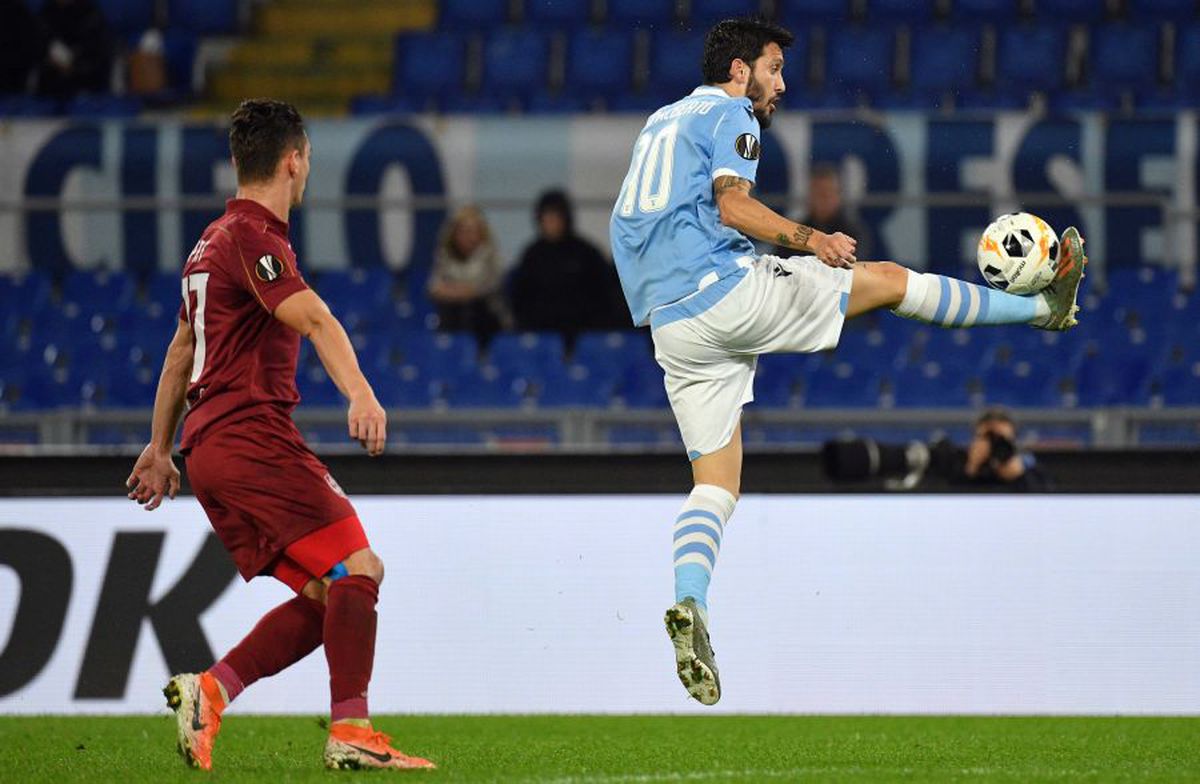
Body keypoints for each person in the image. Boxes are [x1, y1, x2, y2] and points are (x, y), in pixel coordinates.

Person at [608, 17, 1086, 706]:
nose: (781, 83)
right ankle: (1046, 312)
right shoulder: (730, 112)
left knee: (716, 485)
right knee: (888, 281)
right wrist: (809, 239)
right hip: (722, 293)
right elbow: (734, 205)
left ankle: (692, 606)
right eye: (773, 68)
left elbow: (630, 226)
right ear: (739, 69)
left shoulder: (661, 121)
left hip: (672, 325)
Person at [124, 99, 434, 771]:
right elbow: (315, 318)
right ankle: (351, 730)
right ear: (295, 162)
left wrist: (159, 448)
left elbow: (181, 351)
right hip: (248, 435)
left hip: (210, 450)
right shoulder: (253, 238)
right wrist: (361, 394)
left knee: (331, 596)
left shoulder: (208, 243)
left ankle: (211, 690)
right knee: (361, 568)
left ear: (240, 161)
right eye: (308, 159)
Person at [510, 189, 627, 346]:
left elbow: (604, 294)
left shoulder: (587, 253)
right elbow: (521, 298)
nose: (551, 223)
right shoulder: (531, 255)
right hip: (541, 332)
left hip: (585, 331)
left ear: (566, 218)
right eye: (547, 217)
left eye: (555, 217)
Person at [428, 204, 512, 345]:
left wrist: (455, 290)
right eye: (462, 231)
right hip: (452, 316)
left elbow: (481, 289)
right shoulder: (444, 256)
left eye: (472, 231)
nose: (468, 236)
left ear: (482, 233)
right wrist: (461, 291)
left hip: (487, 318)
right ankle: (449, 350)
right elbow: (434, 288)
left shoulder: (492, 257)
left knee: (471, 308)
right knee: (448, 310)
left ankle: (476, 354)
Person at [772, 163, 874, 260]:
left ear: (838, 195)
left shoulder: (855, 233)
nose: (823, 199)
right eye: (818, 194)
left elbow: (854, 266)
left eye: (827, 193)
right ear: (809, 196)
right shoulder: (793, 231)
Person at [956, 408, 1052, 491]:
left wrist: (1020, 476)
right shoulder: (957, 465)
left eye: (1001, 439)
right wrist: (971, 469)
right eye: (987, 438)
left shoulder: (1033, 469)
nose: (994, 444)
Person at [35, 0, 114, 99]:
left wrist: (74, 68)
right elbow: (36, 48)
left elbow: (98, 58)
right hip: (49, 86)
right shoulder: (45, 14)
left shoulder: (91, 16)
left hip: (85, 87)